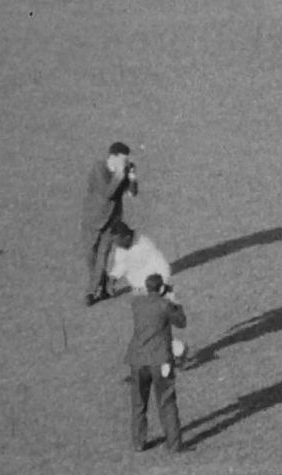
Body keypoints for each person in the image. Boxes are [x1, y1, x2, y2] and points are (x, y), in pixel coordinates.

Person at [124, 274, 186, 453]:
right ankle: (174, 444)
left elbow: (139, 298)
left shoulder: (137, 304)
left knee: (138, 403)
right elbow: (182, 322)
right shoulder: (165, 305)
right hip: (160, 361)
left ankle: (138, 442)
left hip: (137, 360)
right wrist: (174, 301)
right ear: (161, 288)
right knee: (166, 401)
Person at [82, 141, 138, 306]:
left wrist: (133, 178)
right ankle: (104, 285)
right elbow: (108, 194)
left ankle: (92, 292)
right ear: (112, 157)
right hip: (93, 219)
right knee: (89, 255)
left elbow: (132, 194)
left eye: (127, 160)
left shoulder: (125, 170)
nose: (125, 163)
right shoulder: (98, 169)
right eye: (123, 159)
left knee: (103, 256)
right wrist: (120, 175)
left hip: (112, 220)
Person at [107, 222, 171, 295]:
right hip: (139, 292)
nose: (117, 245)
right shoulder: (121, 249)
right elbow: (121, 265)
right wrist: (112, 279)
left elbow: (162, 265)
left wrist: (162, 285)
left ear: (127, 238)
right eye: (115, 243)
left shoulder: (144, 244)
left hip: (156, 289)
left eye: (119, 243)